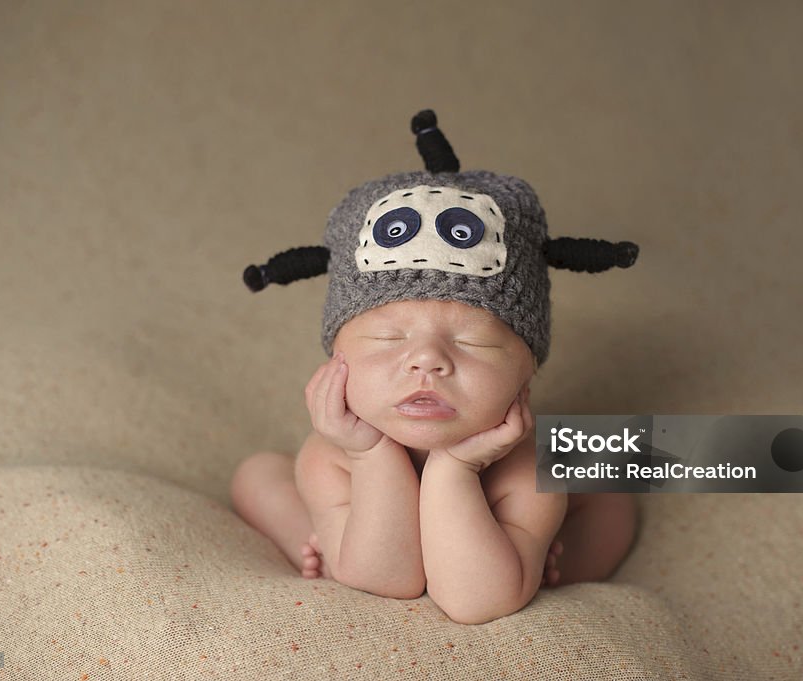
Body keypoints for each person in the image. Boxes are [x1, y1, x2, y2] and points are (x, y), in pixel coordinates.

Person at [230, 111, 640, 624]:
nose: (427, 360)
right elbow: (389, 579)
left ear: (525, 375)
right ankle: (312, 536)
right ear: (334, 360)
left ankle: (554, 563)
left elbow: (477, 600)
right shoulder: (331, 456)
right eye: (386, 338)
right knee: (257, 474)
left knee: (613, 493)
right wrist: (372, 453)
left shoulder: (529, 467)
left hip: (523, 486)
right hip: (351, 490)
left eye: (472, 342)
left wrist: (456, 470)